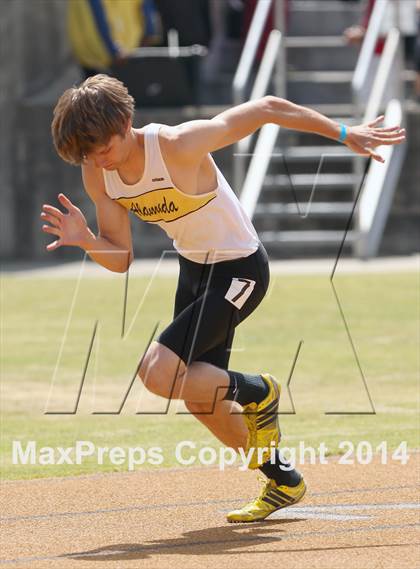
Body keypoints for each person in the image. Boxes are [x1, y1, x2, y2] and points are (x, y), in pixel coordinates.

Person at [43, 74, 405, 522]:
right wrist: (85, 241)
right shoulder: (98, 171)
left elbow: (268, 107)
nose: (100, 160)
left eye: (104, 148)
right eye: (89, 154)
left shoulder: (178, 145)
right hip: (194, 270)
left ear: (126, 121)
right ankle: (283, 480)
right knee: (199, 399)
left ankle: (259, 390)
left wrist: (347, 134)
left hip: (240, 267)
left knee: (157, 374)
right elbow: (120, 258)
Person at [68, 0, 158, 79]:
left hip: (126, 52)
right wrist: (114, 51)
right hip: (99, 56)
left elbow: (145, 6)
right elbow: (97, 14)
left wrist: (149, 32)